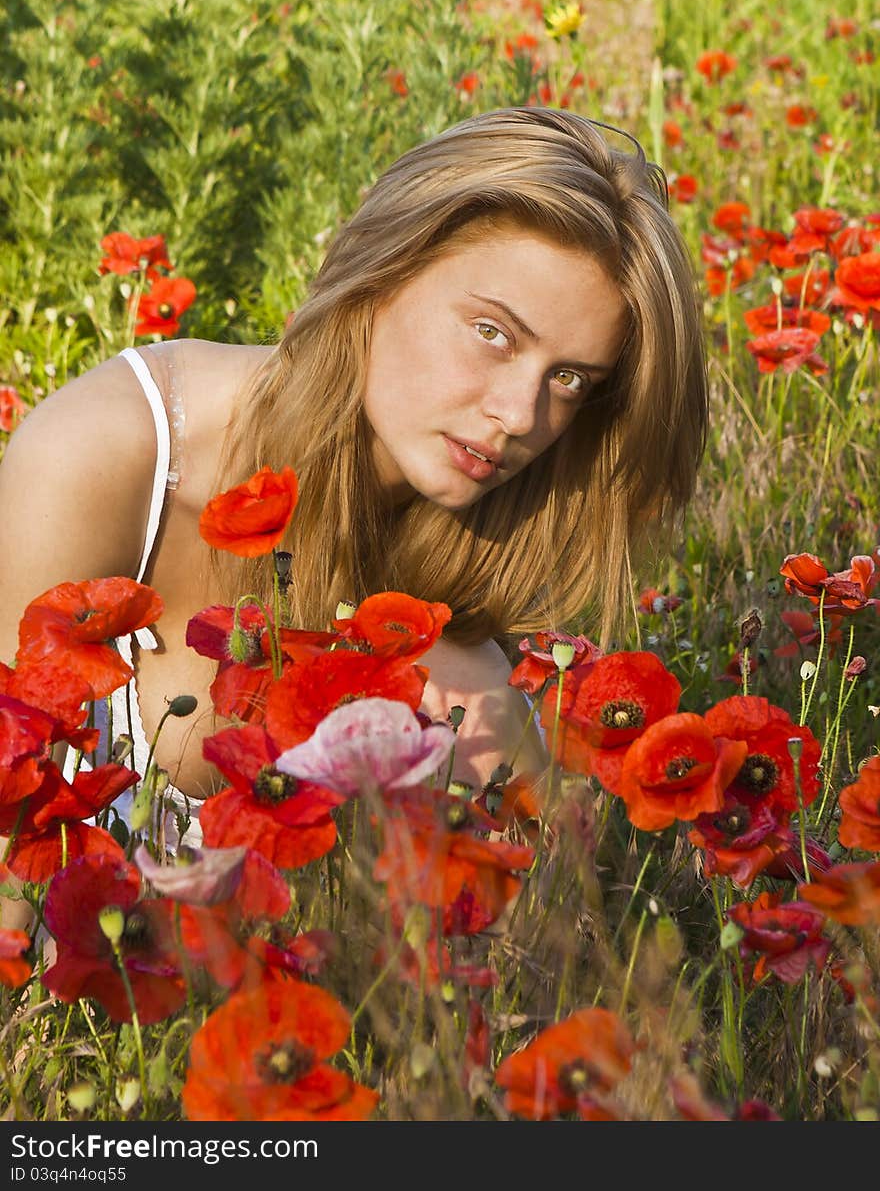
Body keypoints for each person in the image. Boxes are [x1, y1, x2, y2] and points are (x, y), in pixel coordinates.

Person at [0, 106, 707, 876]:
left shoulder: (453, 641)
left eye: (569, 380)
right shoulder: (106, 458)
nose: (519, 415)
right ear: (384, 269)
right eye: (493, 333)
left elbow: (557, 956)